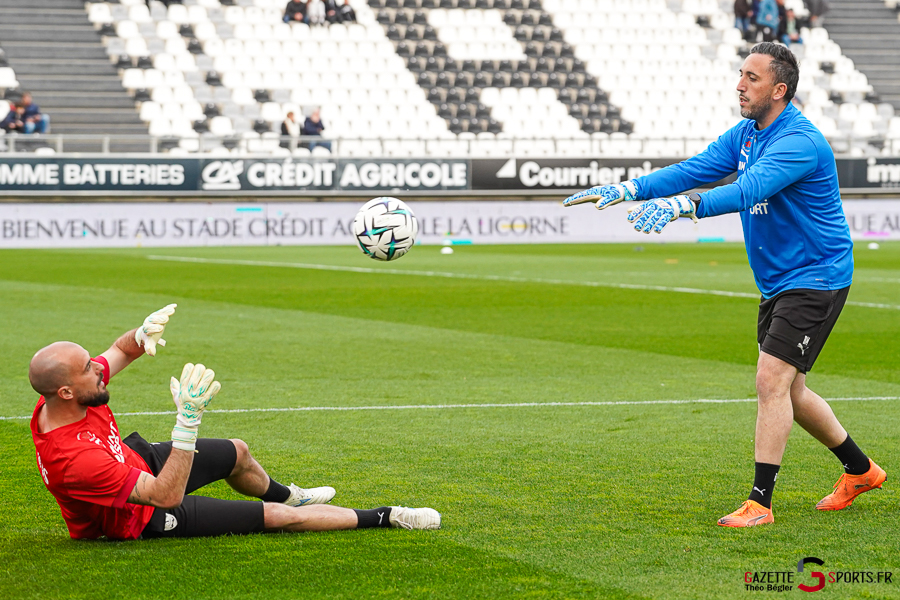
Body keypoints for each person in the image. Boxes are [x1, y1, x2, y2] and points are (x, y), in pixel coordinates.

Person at [562, 42, 885, 528]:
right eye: (740, 74)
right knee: (792, 392)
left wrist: (686, 205)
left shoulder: (800, 142)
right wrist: (630, 188)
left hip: (816, 275)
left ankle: (760, 503)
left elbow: (747, 190)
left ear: (779, 90)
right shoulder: (746, 134)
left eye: (752, 78)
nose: (739, 85)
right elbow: (694, 169)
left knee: (770, 381)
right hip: (779, 279)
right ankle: (861, 471)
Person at [29, 304, 441, 540]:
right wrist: (187, 423)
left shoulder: (71, 395)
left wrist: (140, 335)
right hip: (135, 515)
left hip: (129, 460)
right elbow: (165, 495)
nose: (99, 368)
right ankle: (387, 516)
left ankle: (290, 494)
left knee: (238, 452)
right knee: (276, 518)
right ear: (65, 391)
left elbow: (118, 352)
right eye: (88, 368)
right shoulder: (75, 460)